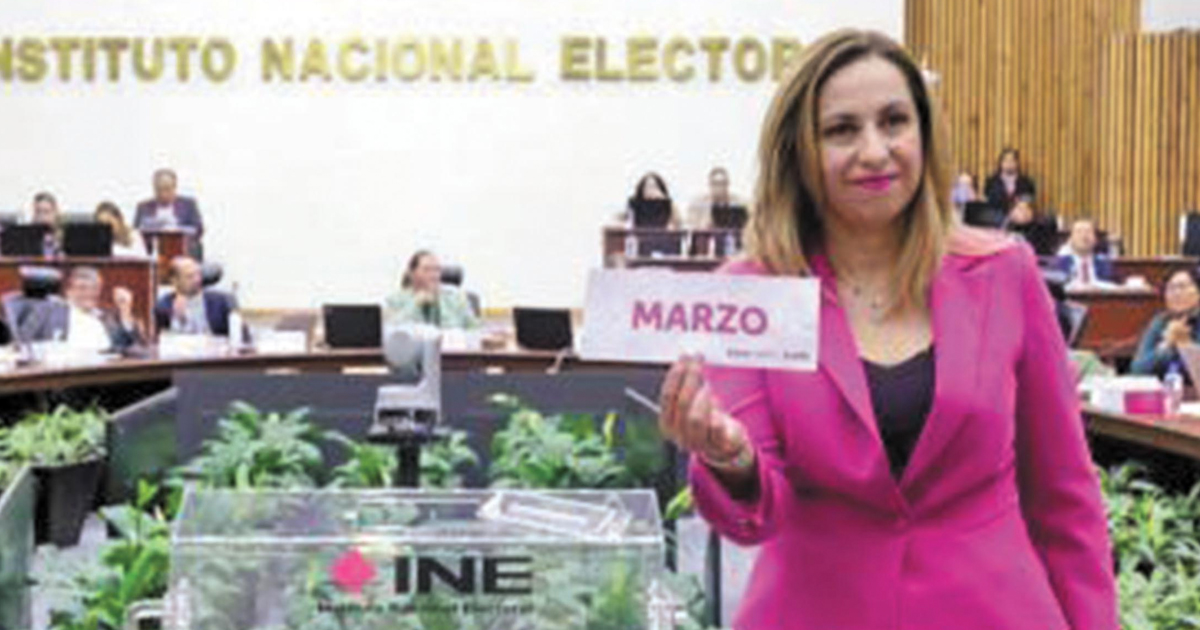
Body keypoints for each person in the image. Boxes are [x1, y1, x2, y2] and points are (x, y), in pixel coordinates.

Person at [656, 29, 1115, 629]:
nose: (874, 151)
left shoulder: (1005, 273)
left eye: (894, 121)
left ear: (924, 133)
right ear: (799, 151)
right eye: (841, 130)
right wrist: (731, 459)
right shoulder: (750, 293)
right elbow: (756, 514)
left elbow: (1064, 498)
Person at [17, 267, 145, 351]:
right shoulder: (50, 312)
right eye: (82, 288)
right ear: (69, 292)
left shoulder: (106, 317)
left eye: (94, 288)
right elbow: (24, 343)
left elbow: (130, 345)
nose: (89, 293)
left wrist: (125, 311)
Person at [1131, 268, 1200, 379]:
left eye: (1182, 287)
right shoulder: (1160, 322)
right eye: (1171, 288)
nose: (1177, 293)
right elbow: (1137, 369)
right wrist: (1166, 345)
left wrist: (1186, 346)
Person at [385, 250, 480, 330]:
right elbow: (392, 330)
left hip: (451, 345)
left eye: (437, 270)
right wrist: (415, 304)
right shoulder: (395, 300)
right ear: (412, 273)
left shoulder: (456, 297)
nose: (434, 275)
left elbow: (474, 328)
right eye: (427, 270)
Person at [154, 256, 236, 335]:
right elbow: (165, 337)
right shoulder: (164, 306)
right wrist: (178, 317)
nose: (197, 279)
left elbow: (236, 332)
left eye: (198, 274)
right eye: (190, 276)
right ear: (175, 280)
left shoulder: (221, 302)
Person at [133, 168, 204, 257]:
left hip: (182, 252)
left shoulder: (188, 205)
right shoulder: (143, 207)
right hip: (152, 252)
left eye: (167, 189)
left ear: (174, 187)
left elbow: (198, 229)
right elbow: (136, 232)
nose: (163, 194)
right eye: (159, 190)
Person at [685, 167, 750, 229]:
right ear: (710, 184)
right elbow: (692, 227)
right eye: (715, 183)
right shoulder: (697, 205)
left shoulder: (739, 204)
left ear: (728, 184)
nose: (719, 187)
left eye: (722, 183)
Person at [1056, 218, 1115, 285]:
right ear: (1070, 239)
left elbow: (1110, 285)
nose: (1083, 236)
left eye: (1088, 231)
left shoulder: (1104, 263)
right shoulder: (1060, 262)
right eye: (1078, 232)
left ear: (1095, 239)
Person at [30, 191, 62, 256]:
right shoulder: (27, 238)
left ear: (55, 213)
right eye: (38, 212)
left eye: (46, 212)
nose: (41, 217)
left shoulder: (63, 237)